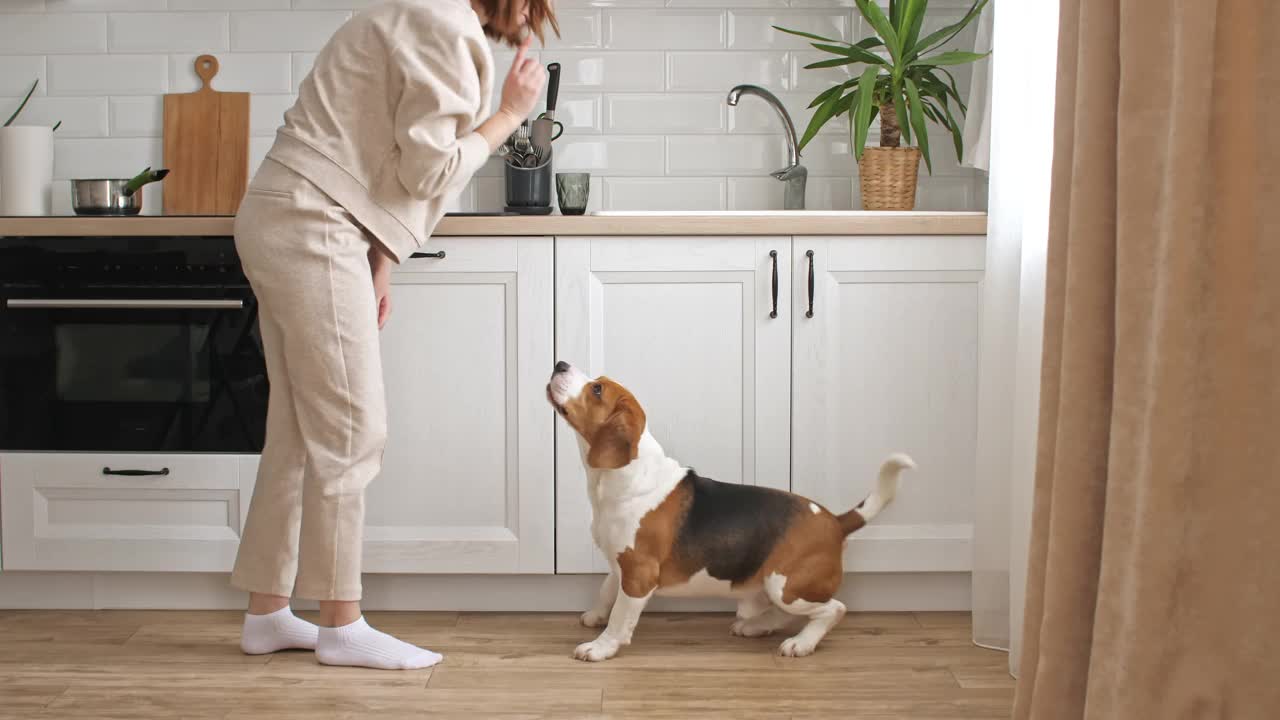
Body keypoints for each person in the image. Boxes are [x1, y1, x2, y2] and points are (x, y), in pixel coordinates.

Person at [227, 0, 558, 671]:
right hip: (314, 221)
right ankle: (342, 624)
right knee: (354, 430)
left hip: (290, 211)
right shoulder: (449, 29)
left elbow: (382, 147)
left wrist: (378, 261)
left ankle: (267, 614)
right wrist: (510, 113)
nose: (531, 15)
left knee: (297, 431)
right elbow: (429, 171)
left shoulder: (416, 11)